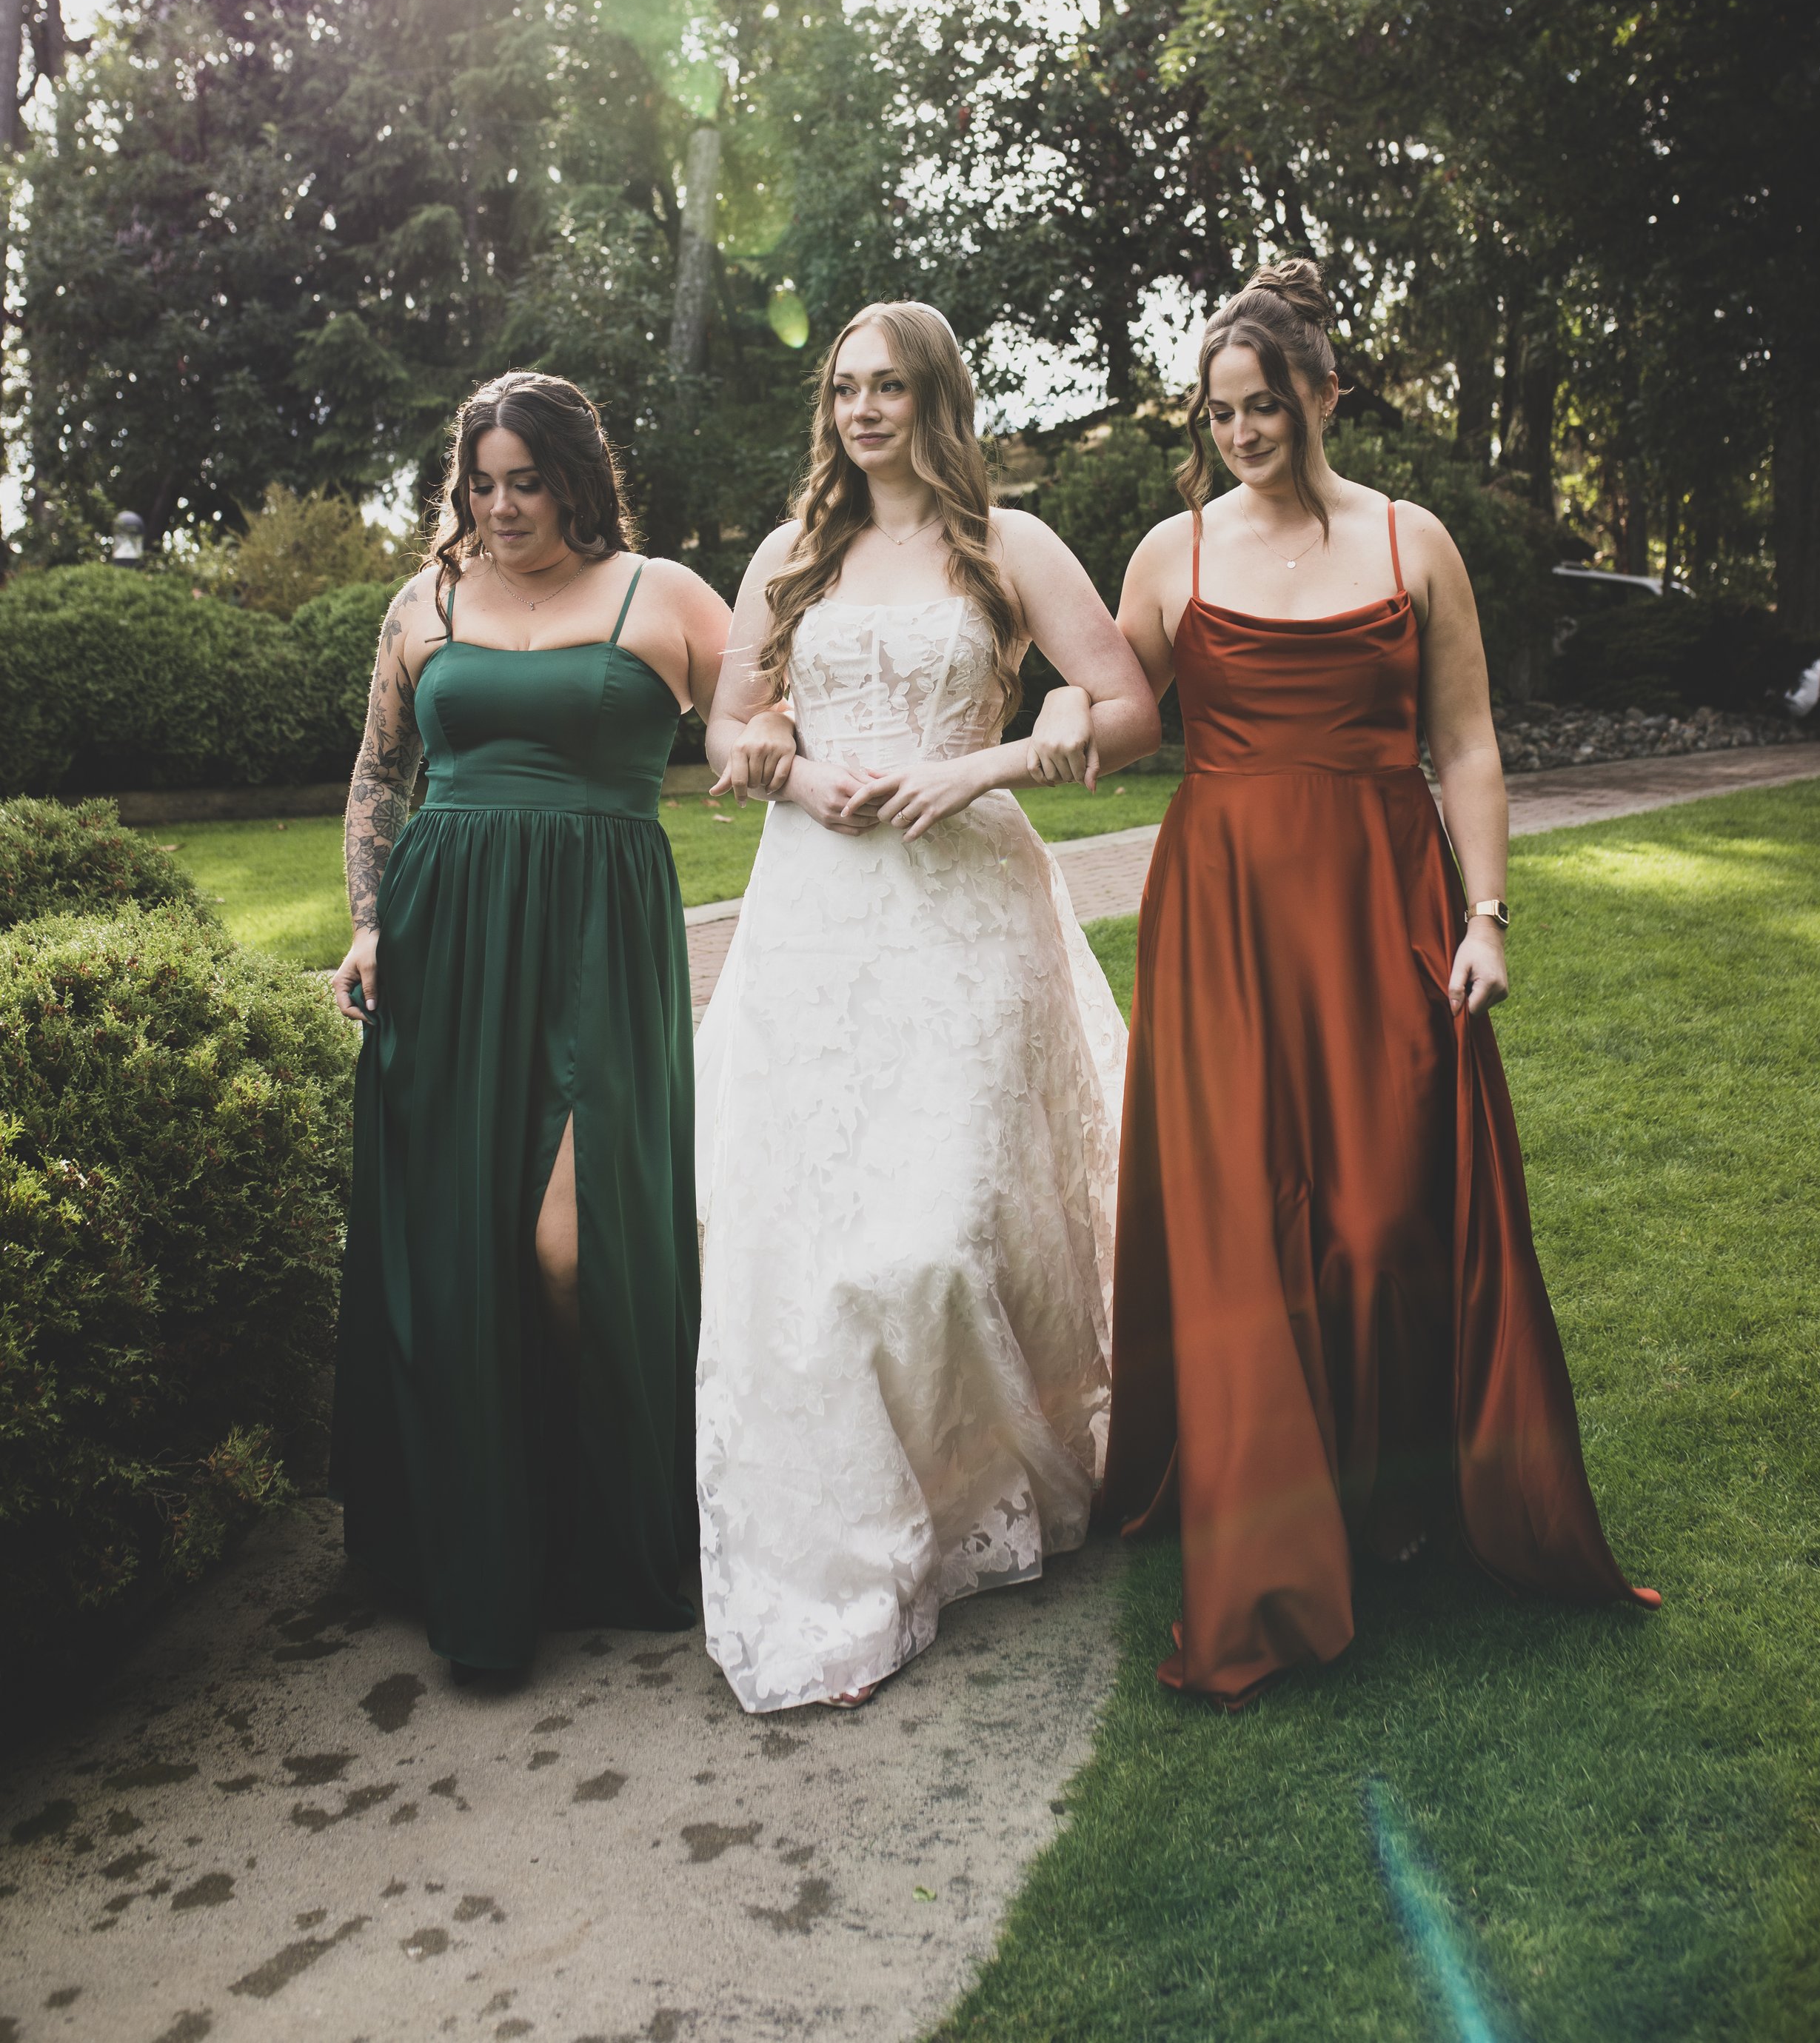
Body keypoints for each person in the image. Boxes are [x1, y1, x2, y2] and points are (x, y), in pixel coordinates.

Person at [1100, 261, 1656, 1708]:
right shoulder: (1170, 556)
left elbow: (1465, 747)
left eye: (1264, 405)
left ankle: (1392, 1481)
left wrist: (1484, 916)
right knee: (1241, 1226)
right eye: (1220, 413)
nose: (1241, 432)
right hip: (1220, 911)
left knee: (1379, 1214)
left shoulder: (1414, 544)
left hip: (1379, 900)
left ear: (1321, 393)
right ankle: (1277, 1528)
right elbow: (1107, 710)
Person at [695, 301, 1162, 1712]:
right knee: (813, 1242)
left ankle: (991, 1485)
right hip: (819, 918)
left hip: (965, 912)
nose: (864, 410)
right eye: (845, 387)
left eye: (890, 386)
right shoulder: (791, 555)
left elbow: (1125, 706)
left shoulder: (1007, 546)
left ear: (937, 399)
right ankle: (864, 1535)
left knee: (949, 1227)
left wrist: (994, 762)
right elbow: (727, 725)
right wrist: (791, 769)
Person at [329, 371, 734, 1679]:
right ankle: (484, 1539)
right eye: (482, 483)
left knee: (574, 1245)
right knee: (458, 1247)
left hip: (596, 941)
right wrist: (369, 920)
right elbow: (380, 772)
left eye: (526, 481)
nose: (502, 507)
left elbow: (770, 717)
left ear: (574, 476)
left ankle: (601, 1515)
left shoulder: (663, 595)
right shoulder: (426, 598)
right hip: (445, 939)